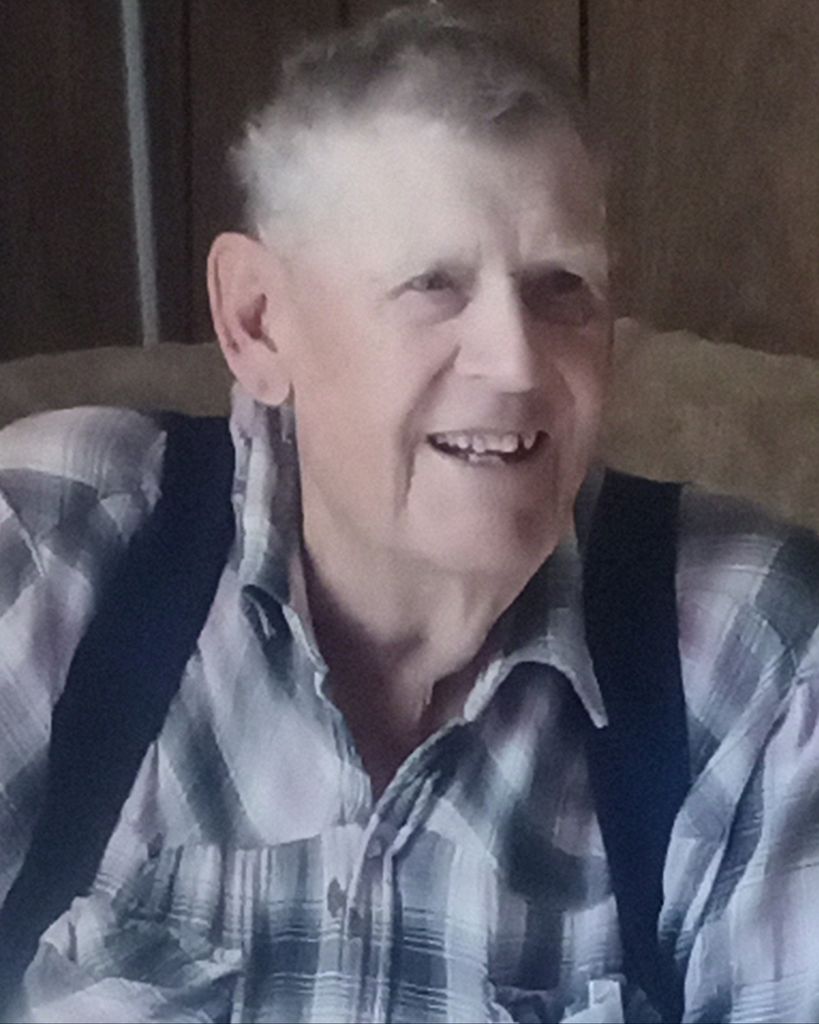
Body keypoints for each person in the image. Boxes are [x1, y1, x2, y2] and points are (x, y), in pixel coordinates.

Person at [1, 4, 818, 1022]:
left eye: (561, 288)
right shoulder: (53, 545)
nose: (515, 363)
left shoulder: (759, 658)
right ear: (258, 322)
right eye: (433, 285)